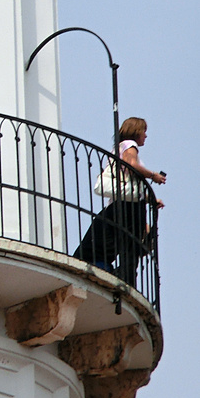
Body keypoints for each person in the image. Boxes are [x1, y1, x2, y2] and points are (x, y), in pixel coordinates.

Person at [74, 116, 165, 284]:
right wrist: (153, 176)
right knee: (127, 246)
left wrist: (149, 199)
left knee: (110, 241)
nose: (146, 135)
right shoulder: (130, 146)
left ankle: (120, 272)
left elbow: (129, 184)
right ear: (137, 131)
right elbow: (131, 166)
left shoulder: (119, 147)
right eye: (144, 131)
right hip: (127, 207)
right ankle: (126, 277)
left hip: (125, 205)